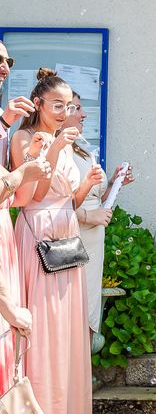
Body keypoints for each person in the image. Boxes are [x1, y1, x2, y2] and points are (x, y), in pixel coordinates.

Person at [10, 67, 104, 414]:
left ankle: (67, 403)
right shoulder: (24, 139)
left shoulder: (66, 144)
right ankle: (41, 403)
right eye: (57, 106)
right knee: (44, 323)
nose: (65, 114)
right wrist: (51, 150)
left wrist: (87, 185)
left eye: (69, 106)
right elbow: (34, 195)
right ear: (38, 104)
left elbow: (69, 202)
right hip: (38, 234)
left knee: (67, 327)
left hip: (66, 235)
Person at [62, 91, 134, 351]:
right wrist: (85, 216)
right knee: (70, 311)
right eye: (78, 108)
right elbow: (54, 201)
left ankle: (79, 380)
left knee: (88, 312)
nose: (84, 114)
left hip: (94, 241)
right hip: (73, 237)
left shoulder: (81, 149)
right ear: (62, 111)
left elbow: (95, 198)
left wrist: (114, 183)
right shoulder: (58, 150)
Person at [0, 42, 53, 394]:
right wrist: (25, 172)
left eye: (8, 60)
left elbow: (13, 197)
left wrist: (28, 164)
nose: (5, 66)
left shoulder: (6, 125)